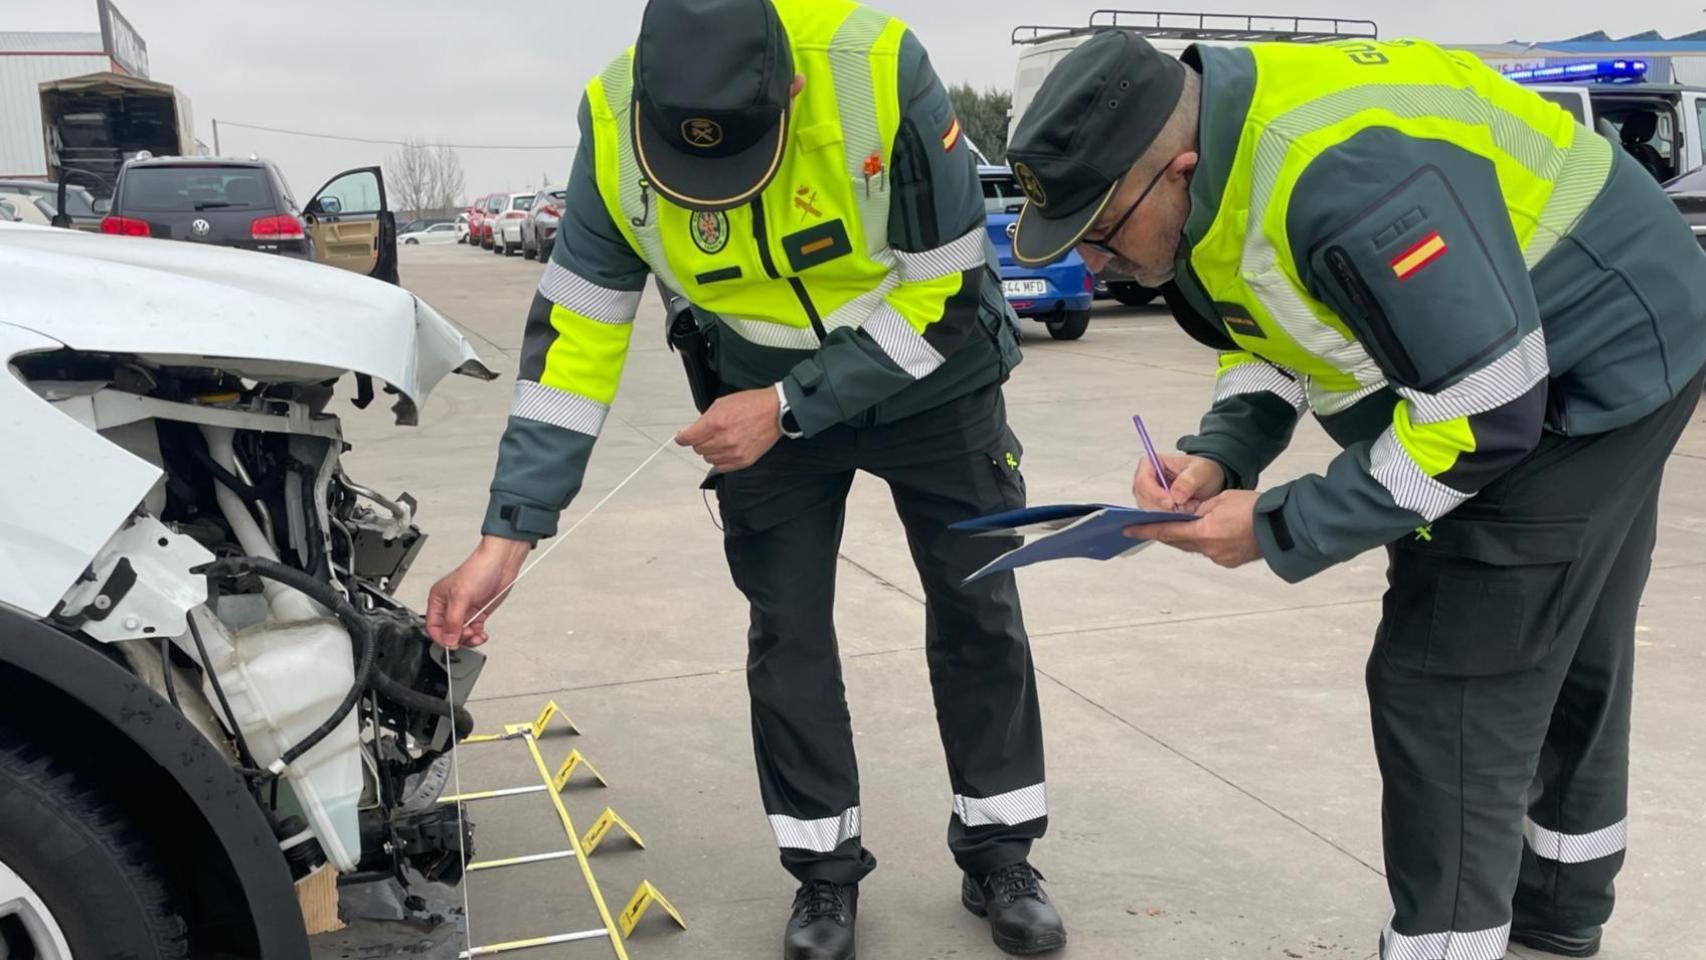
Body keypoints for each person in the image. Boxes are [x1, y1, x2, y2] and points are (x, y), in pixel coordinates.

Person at [1005, 30, 1706, 960]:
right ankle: (1557, 912)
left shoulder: (1339, 178)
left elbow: (1485, 414)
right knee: (1562, 642)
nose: (1092, 266)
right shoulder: (1222, 171)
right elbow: (1273, 330)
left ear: (1176, 169)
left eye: (1100, 231)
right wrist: (1221, 455)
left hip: (1597, 354)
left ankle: (1451, 943)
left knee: (1447, 678)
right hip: (1557, 339)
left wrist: (1284, 524)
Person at [425, 1, 1068, 956]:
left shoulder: (877, 66)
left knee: (977, 604)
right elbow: (576, 338)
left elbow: (941, 288)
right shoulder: (610, 123)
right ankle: (824, 872)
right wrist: (506, 533)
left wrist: (796, 402)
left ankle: (1000, 850)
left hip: (934, 382)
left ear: (789, 89)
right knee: (788, 631)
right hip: (757, 403)